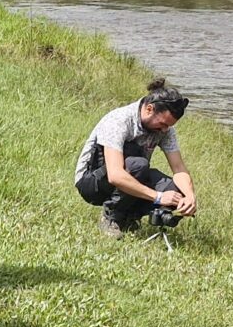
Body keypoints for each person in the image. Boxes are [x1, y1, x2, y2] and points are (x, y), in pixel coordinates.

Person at [75, 79, 198, 236]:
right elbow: (115, 175)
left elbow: (179, 168)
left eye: (169, 126)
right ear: (149, 109)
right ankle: (111, 217)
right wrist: (159, 197)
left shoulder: (165, 130)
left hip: (131, 174)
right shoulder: (119, 120)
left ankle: (129, 218)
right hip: (91, 182)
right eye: (162, 123)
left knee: (176, 192)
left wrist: (189, 196)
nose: (165, 130)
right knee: (138, 165)